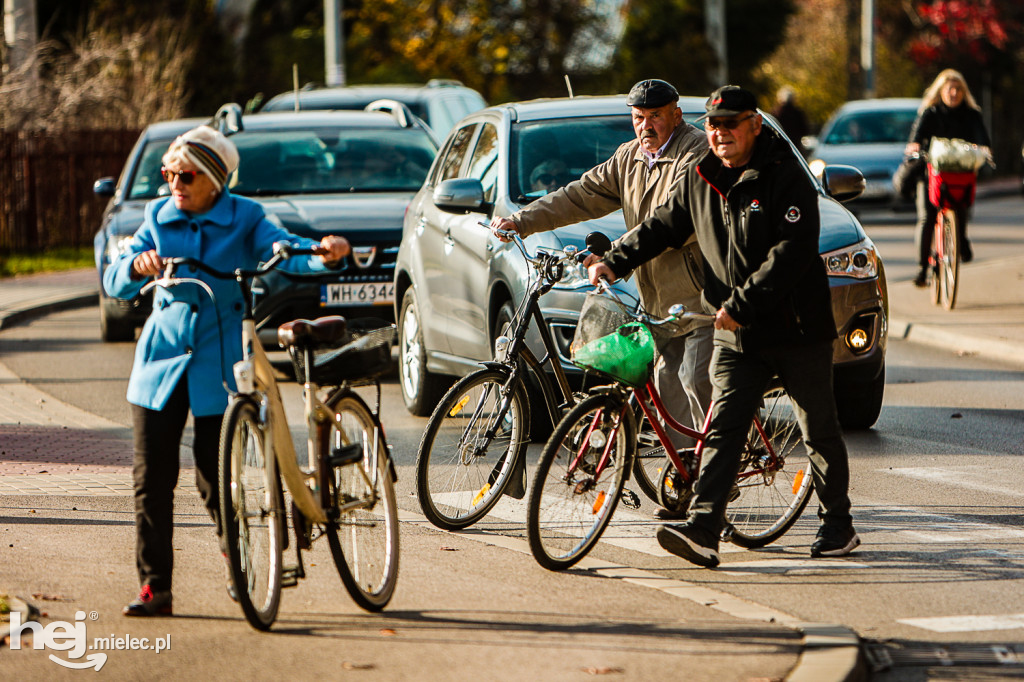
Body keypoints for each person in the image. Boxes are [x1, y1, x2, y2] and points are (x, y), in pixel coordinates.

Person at [588, 85, 859, 567]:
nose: (720, 133)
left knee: (817, 427)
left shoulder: (785, 175)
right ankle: (704, 530)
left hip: (796, 329)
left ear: (755, 124)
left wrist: (742, 303)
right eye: (713, 125)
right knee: (724, 427)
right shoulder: (702, 176)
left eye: (731, 124)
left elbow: (792, 253)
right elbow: (662, 226)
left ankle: (838, 525)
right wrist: (614, 261)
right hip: (738, 335)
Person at [103, 125, 350, 616]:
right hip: (159, 364)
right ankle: (155, 587)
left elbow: (283, 247)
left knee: (218, 481)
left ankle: (238, 564)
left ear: (215, 178)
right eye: (169, 173)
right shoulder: (158, 215)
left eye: (187, 174)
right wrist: (135, 266)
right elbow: (117, 273)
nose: (175, 183)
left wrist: (321, 252)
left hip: (221, 364)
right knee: (152, 478)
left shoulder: (246, 217)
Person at [491, 79, 713, 518]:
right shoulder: (630, 158)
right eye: (637, 118)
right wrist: (522, 220)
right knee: (668, 392)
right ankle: (688, 481)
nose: (644, 126)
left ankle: (716, 487)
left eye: (654, 117)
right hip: (656, 298)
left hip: (701, 296)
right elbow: (581, 194)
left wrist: (614, 258)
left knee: (697, 382)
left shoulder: (697, 153)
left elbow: (672, 222)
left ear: (676, 115)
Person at [906, 69, 991, 286]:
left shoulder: (972, 115)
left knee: (960, 208)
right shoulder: (930, 113)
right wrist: (915, 147)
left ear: (964, 92)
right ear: (941, 91)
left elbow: (982, 138)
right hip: (931, 174)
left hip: (958, 175)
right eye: (950, 89)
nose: (954, 93)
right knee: (926, 218)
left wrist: (984, 150)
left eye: (958, 89)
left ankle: (961, 240)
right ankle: (922, 269)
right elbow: (916, 137)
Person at [771, 86, 809, 151]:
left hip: (779, 148)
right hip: (795, 148)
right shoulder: (798, 113)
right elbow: (805, 130)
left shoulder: (775, 113)